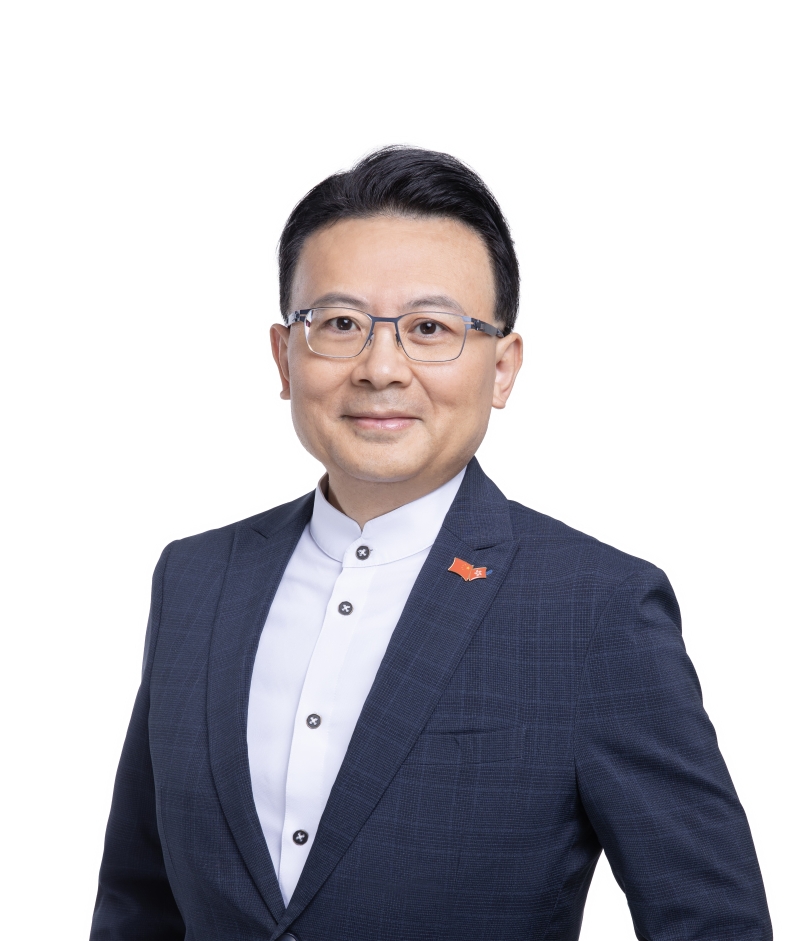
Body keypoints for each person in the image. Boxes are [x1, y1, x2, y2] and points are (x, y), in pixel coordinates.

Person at [90, 146, 771, 941]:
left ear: (503, 368)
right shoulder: (197, 578)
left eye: (429, 328)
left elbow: (713, 922)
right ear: (284, 356)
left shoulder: (596, 608)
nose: (381, 367)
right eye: (339, 324)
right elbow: (137, 905)